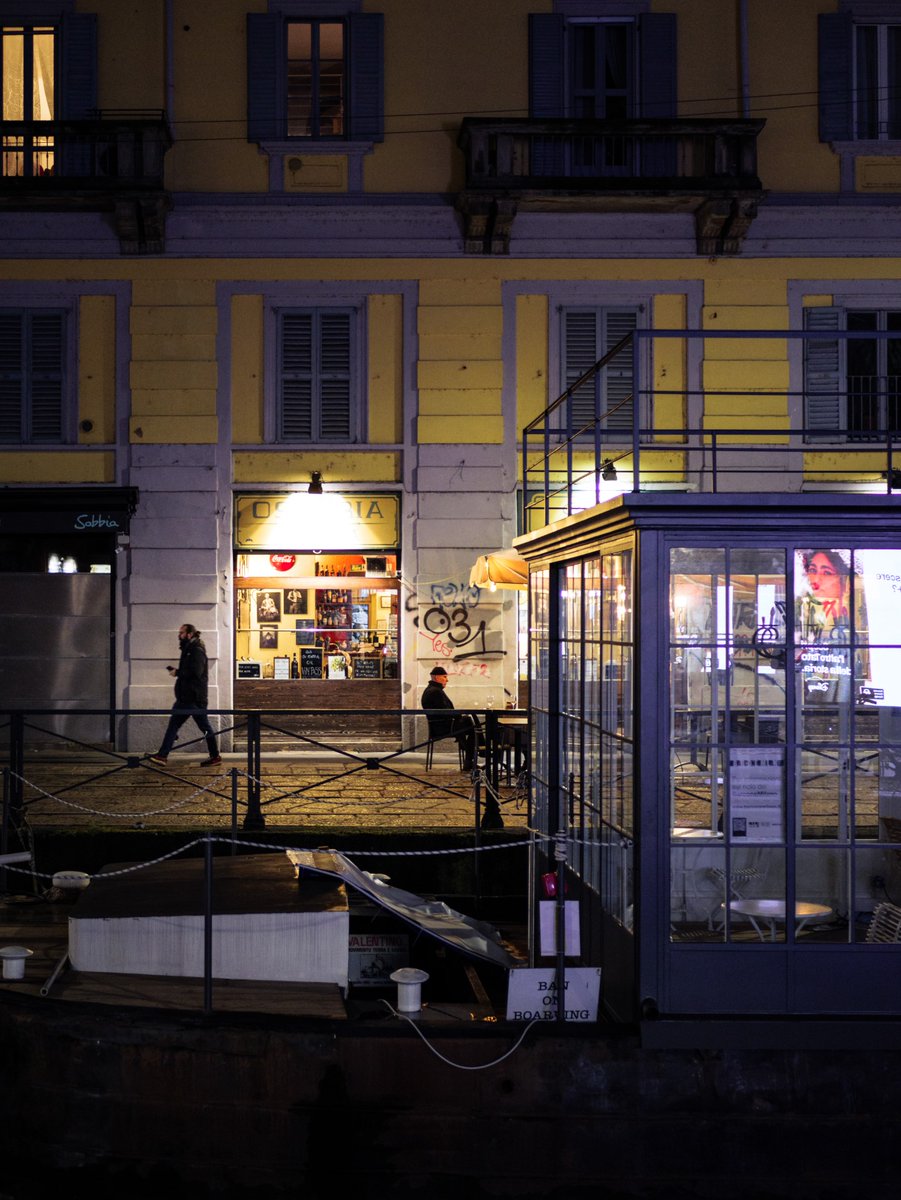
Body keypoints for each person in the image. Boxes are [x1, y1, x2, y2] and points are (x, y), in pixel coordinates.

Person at [147, 623, 221, 766]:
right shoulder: (189, 649)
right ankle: (163, 755)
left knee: (198, 727)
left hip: (193, 698)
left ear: (189, 634)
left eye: (181, 633)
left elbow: (196, 672)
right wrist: (178, 672)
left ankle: (163, 755)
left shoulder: (196, 650)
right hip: (186, 697)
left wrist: (178, 673)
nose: (179, 636)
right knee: (179, 726)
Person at [421, 665, 480, 770]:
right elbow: (446, 711)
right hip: (443, 727)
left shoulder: (432, 690)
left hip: (442, 725)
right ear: (436, 677)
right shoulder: (435, 692)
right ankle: (478, 753)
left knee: (467, 723)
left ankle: (471, 758)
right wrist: (459, 715)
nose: (447, 680)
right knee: (469, 724)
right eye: (444, 677)